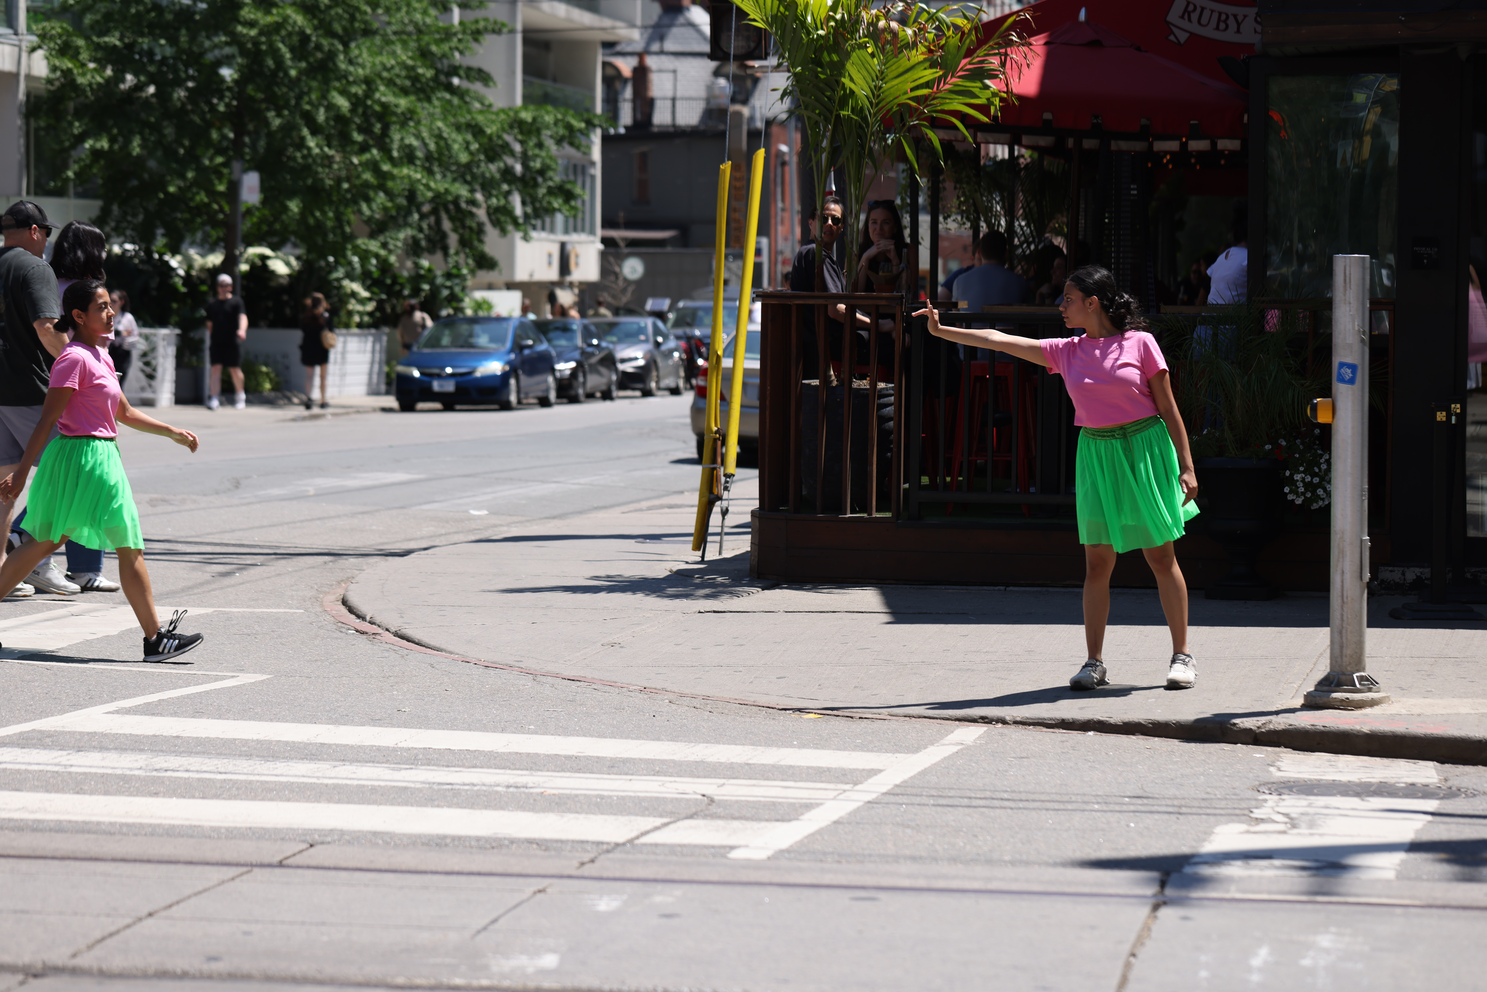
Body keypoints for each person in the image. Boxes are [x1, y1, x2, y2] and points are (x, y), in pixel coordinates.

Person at [915, 264, 1200, 692]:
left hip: (1144, 449)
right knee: (1097, 563)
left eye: (1067, 299)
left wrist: (1187, 464)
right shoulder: (1066, 351)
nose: (1060, 306)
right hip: (1096, 454)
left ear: (1092, 303)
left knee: (1161, 557)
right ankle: (1094, 662)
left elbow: (1170, 408)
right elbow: (998, 340)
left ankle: (1182, 656)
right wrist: (942, 332)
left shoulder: (1141, 343)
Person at [0, 279, 205, 662]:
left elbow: (123, 413)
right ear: (78, 316)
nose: (111, 313)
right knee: (115, 542)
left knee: (50, 542)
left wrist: (172, 432)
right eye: (102, 307)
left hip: (101, 457)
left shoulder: (102, 356)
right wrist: (23, 473)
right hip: (81, 458)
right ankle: (155, 639)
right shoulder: (73, 359)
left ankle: (155, 638)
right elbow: (46, 421)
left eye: (111, 305)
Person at [0, 201, 69, 600]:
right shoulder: (33, 267)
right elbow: (47, 328)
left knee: (4, 488)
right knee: (72, 471)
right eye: (45, 233)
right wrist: (82, 367)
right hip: (29, 390)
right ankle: (37, 559)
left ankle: (3, 577)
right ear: (35, 231)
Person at [953, 230, 1029, 314]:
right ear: (1006, 254)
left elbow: (959, 321)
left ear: (979, 253)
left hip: (970, 327)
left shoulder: (960, 282)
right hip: (1007, 327)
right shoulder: (1019, 282)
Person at [204, 273, 247, 410]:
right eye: (221, 286)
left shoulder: (236, 302)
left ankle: (240, 396)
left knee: (234, 369)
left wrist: (242, 330)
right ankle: (214, 398)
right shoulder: (212, 304)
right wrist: (213, 336)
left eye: (226, 286)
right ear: (217, 287)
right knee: (216, 369)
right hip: (217, 341)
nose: (223, 288)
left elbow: (242, 317)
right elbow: (209, 324)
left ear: (230, 287)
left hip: (232, 341)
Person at [854, 200, 908, 295]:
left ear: (895, 227)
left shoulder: (907, 251)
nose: (879, 228)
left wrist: (895, 260)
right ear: (868, 226)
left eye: (885, 223)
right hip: (863, 310)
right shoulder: (854, 252)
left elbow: (903, 295)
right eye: (874, 222)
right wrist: (865, 257)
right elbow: (855, 294)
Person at [299, 292, 333, 410]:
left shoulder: (306, 316)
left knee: (309, 376)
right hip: (322, 348)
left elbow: (303, 330)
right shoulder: (326, 316)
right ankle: (323, 401)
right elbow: (332, 332)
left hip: (308, 348)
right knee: (323, 377)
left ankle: (308, 399)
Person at [109, 289, 140, 385]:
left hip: (123, 353)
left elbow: (135, 335)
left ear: (121, 302)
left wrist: (121, 334)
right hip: (109, 351)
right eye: (109, 301)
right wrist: (122, 333)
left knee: (120, 382)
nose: (111, 304)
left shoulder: (128, 317)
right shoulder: (106, 316)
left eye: (114, 301)